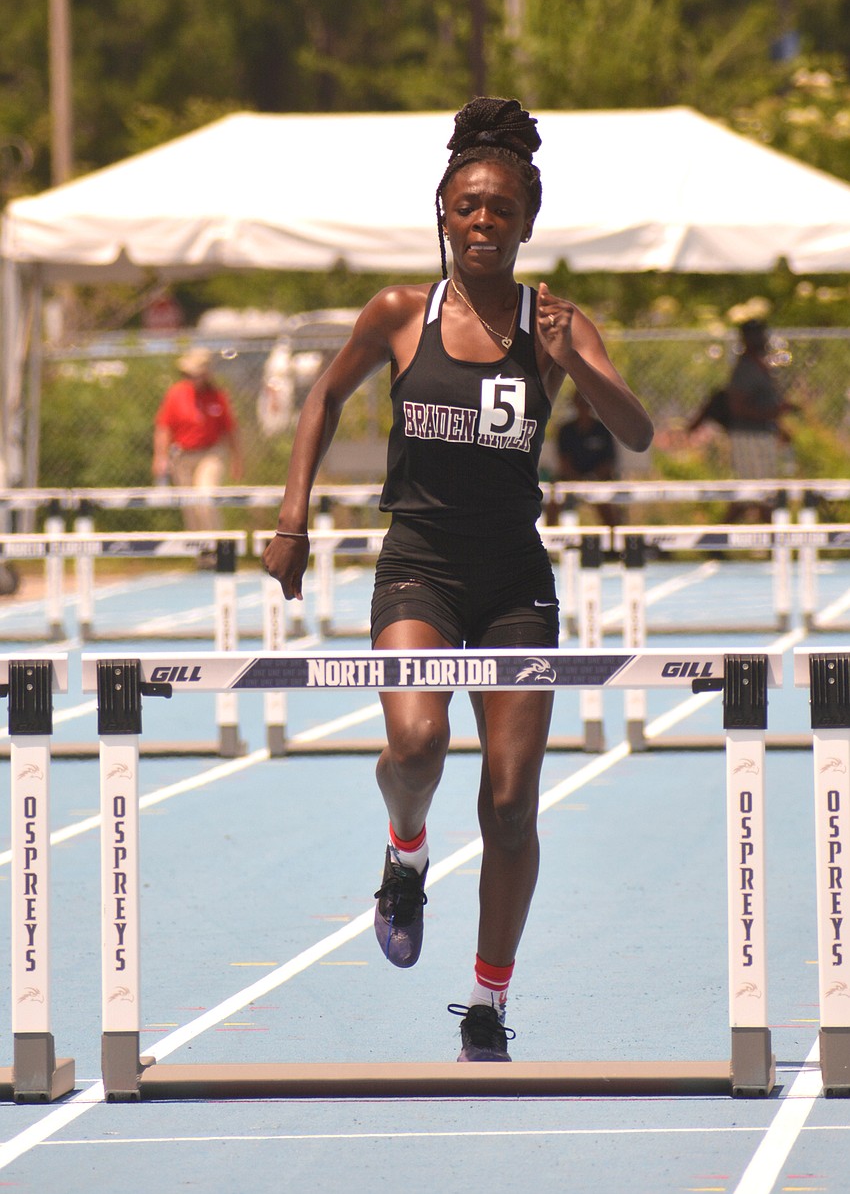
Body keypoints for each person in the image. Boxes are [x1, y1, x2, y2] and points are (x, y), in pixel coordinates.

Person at [263, 97, 653, 1062]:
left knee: (512, 802)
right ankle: (405, 854)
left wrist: (575, 367)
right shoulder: (402, 313)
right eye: (469, 205)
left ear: (528, 219)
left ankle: (488, 999)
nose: (485, 221)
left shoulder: (554, 321)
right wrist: (292, 516)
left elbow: (637, 432)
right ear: (443, 209)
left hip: (514, 582)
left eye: (503, 208)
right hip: (420, 570)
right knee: (418, 740)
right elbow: (321, 396)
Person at [152, 347, 243, 533]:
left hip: (210, 454)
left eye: (195, 374)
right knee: (190, 507)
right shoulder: (176, 394)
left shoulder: (218, 396)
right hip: (182, 456)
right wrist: (160, 457)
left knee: (205, 498)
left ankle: (216, 545)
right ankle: (201, 552)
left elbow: (231, 431)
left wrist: (237, 460)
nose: (191, 379)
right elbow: (164, 428)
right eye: (188, 374)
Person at [724, 318, 796, 523]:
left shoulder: (762, 364)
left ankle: (719, 538)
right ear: (747, 338)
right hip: (749, 435)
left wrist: (778, 425)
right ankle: (771, 541)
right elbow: (737, 407)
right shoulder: (746, 368)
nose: (763, 338)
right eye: (757, 334)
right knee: (757, 493)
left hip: (763, 434)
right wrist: (772, 413)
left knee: (760, 492)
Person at [545, 389, 622, 528]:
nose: (583, 406)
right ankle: (548, 540)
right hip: (570, 479)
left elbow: (608, 462)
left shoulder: (602, 429)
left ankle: (613, 543)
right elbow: (564, 462)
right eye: (580, 402)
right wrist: (578, 480)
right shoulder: (565, 430)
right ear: (574, 404)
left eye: (586, 402)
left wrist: (593, 479)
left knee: (606, 503)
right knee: (555, 497)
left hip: (599, 480)